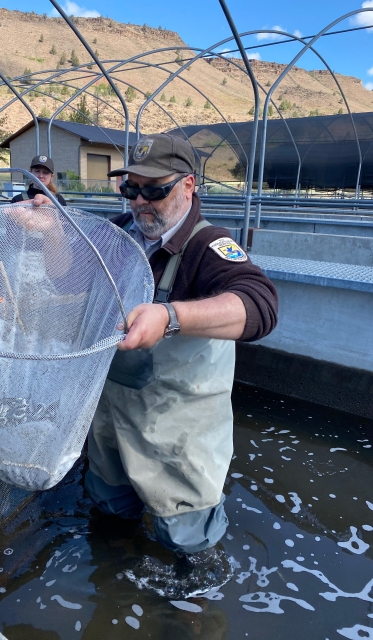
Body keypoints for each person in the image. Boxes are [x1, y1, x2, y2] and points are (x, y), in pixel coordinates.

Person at [81, 133, 278, 568]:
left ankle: (191, 618)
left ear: (188, 186)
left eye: (154, 189)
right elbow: (66, 280)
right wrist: (47, 231)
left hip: (176, 435)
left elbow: (260, 305)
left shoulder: (209, 246)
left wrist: (170, 317)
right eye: (131, 189)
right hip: (111, 421)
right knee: (110, 517)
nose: (139, 202)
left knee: (187, 545)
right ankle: (112, 591)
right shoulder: (117, 235)